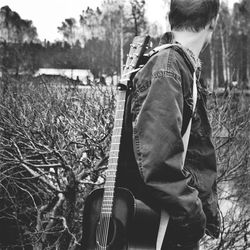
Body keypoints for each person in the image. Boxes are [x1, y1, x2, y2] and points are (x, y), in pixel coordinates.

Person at [117, 0, 221, 249]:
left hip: (168, 225)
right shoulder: (167, 68)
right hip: (163, 227)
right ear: (212, 23)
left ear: (170, 17)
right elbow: (158, 164)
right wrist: (194, 216)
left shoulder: (177, 67)